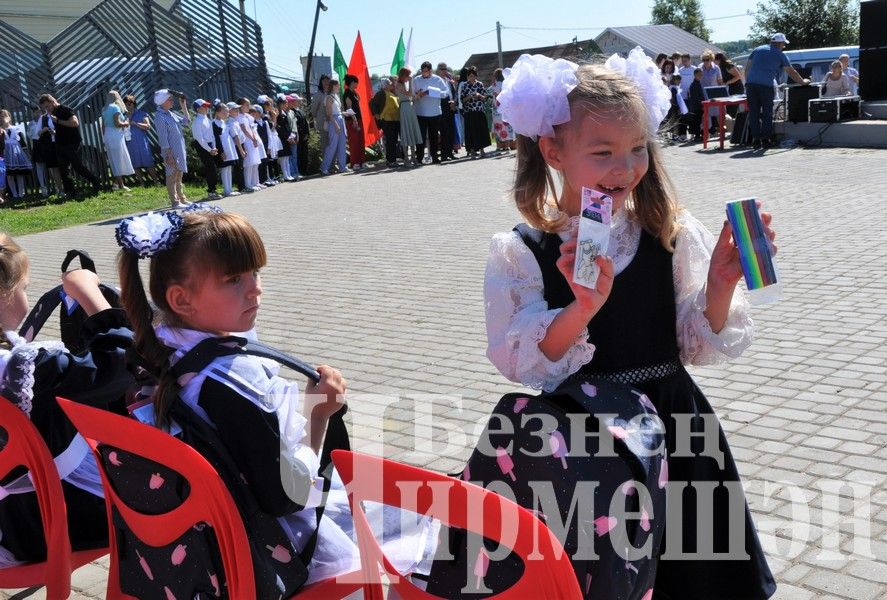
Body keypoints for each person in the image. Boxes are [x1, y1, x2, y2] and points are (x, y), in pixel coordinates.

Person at [458, 50, 777, 599]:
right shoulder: (525, 249)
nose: (625, 169)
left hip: (677, 433)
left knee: (694, 574)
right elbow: (528, 361)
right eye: (603, 152)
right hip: (586, 443)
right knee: (601, 574)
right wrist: (581, 308)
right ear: (554, 150)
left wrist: (721, 284)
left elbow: (694, 340)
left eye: (637, 150)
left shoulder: (665, 232)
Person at [114, 206, 437, 596]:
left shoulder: (158, 349)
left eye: (255, 272)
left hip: (206, 538)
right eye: (234, 279)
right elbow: (288, 496)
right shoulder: (233, 382)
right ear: (181, 300)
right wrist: (319, 414)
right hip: (277, 544)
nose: (255, 288)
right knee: (420, 519)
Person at [0, 232, 134, 567]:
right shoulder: (24, 369)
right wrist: (92, 299)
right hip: (49, 521)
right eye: (24, 288)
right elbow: (119, 365)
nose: (27, 298)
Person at [744, 33, 810, 149]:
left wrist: (748, 82)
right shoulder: (780, 55)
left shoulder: (758, 49)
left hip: (751, 85)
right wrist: (803, 82)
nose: (783, 46)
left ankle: (755, 140)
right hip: (766, 86)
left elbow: (748, 67)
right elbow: (791, 72)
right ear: (779, 43)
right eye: (784, 44)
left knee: (754, 113)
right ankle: (765, 140)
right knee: (767, 113)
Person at [37, 94, 101, 197]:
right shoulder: (52, 113)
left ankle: (95, 181)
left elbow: (75, 123)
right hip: (60, 143)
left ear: (53, 102)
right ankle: (71, 192)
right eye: (45, 107)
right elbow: (61, 128)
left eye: (47, 106)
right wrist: (55, 131)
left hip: (72, 143)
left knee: (77, 167)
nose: (47, 109)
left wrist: (57, 121)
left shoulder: (65, 109)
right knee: (63, 170)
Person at [154, 89, 191, 208]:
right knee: (171, 175)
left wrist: (183, 106)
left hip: (179, 149)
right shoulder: (160, 116)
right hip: (170, 150)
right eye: (169, 99)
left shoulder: (170, 113)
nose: (172, 101)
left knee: (179, 174)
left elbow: (186, 122)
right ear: (163, 101)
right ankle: (175, 202)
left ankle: (182, 199)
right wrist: (168, 154)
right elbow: (163, 137)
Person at [412, 61, 449, 164]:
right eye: (422, 71)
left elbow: (445, 93)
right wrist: (418, 94)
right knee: (421, 137)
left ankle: (435, 157)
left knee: (434, 137)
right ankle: (419, 158)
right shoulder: (416, 80)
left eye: (426, 71)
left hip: (435, 112)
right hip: (420, 112)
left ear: (430, 71)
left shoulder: (438, 79)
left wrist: (431, 92)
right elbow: (412, 94)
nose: (424, 73)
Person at [122, 95, 160, 186]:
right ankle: (142, 184)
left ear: (134, 104)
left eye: (129, 104)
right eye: (126, 104)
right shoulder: (122, 116)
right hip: (129, 143)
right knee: (134, 164)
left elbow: (148, 126)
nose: (128, 106)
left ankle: (156, 182)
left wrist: (135, 123)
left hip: (142, 143)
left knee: (149, 163)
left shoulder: (142, 113)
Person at [101, 91, 134, 191]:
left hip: (108, 134)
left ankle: (116, 184)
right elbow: (117, 123)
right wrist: (126, 123)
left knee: (114, 160)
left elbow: (103, 126)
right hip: (115, 135)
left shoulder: (104, 108)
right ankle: (121, 185)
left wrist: (104, 138)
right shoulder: (115, 107)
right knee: (118, 160)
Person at [190, 98, 221, 200]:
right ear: (198, 109)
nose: (207, 108)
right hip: (202, 146)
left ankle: (213, 189)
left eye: (207, 106)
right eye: (204, 106)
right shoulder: (196, 122)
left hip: (210, 145)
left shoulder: (207, 119)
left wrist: (214, 147)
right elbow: (199, 138)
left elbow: (212, 135)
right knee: (210, 168)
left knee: (213, 168)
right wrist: (209, 149)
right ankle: (211, 191)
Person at [29, 105, 63, 198]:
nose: (37, 112)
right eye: (35, 111)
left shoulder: (53, 116)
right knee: (49, 168)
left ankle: (60, 187)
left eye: (39, 110)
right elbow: (35, 134)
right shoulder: (38, 121)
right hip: (44, 145)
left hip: (56, 143)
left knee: (58, 167)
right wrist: (44, 131)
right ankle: (51, 189)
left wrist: (54, 132)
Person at [0, 110, 33, 200]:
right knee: (9, 175)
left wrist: (27, 154)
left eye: (4, 116)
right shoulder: (1, 130)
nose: (3, 118)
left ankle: (21, 193)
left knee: (19, 174)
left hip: (16, 154)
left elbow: (22, 143)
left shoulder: (16, 128)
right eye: (1, 116)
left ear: (9, 117)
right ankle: (14, 194)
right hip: (6, 154)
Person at [459, 66, 489, 159]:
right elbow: (462, 100)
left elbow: (485, 98)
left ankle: (482, 151)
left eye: (473, 76)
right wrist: (470, 97)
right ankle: (471, 151)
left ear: (476, 76)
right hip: (469, 112)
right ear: (467, 76)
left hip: (479, 111)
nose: (471, 78)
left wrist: (479, 95)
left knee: (481, 131)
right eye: (470, 76)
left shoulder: (480, 84)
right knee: (470, 132)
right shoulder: (464, 85)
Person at [395, 67, 422, 168]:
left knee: (411, 131)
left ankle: (413, 157)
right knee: (406, 132)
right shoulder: (398, 85)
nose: (409, 77)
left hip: (410, 108)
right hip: (405, 108)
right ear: (403, 75)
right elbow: (409, 93)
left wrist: (418, 95)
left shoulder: (403, 84)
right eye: (408, 75)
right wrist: (410, 83)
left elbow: (411, 96)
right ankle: (406, 158)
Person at [320, 79, 348, 176]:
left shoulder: (336, 96)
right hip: (334, 122)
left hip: (340, 119)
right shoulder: (328, 98)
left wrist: (346, 113)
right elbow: (329, 114)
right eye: (338, 85)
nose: (339, 86)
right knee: (332, 145)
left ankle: (342, 167)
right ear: (334, 86)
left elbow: (338, 111)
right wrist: (336, 125)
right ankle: (324, 168)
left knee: (342, 145)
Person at [211, 102, 240, 197]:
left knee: (228, 169)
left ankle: (230, 189)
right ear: (217, 112)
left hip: (229, 148)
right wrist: (221, 151)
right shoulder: (214, 123)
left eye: (228, 112)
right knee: (224, 169)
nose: (227, 113)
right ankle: (226, 190)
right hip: (222, 149)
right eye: (225, 112)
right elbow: (216, 139)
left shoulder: (224, 122)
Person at [342, 74, 367, 170]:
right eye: (356, 82)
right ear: (352, 82)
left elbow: (359, 100)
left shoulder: (354, 93)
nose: (357, 84)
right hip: (352, 120)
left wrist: (355, 92)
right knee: (354, 141)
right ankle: (355, 163)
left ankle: (362, 161)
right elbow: (349, 108)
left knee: (361, 140)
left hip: (358, 118)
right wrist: (354, 120)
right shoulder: (347, 93)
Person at [375, 77, 401, 168]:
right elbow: (372, 104)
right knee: (390, 141)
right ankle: (391, 161)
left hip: (395, 120)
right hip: (387, 120)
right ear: (385, 85)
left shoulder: (392, 93)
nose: (392, 84)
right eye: (390, 83)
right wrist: (377, 114)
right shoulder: (381, 93)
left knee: (393, 141)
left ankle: (392, 160)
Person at [490, 67, 515, 152]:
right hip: (504, 108)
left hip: (496, 108)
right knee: (506, 126)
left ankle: (499, 146)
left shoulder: (494, 85)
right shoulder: (506, 84)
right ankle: (507, 146)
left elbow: (491, 94)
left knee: (498, 127)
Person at [437, 63, 458, 161]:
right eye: (442, 69)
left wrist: (454, 102)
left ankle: (450, 153)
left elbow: (454, 93)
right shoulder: (436, 81)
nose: (444, 70)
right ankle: (444, 155)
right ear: (438, 70)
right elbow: (437, 95)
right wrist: (447, 103)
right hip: (442, 109)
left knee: (451, 132)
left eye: (445, 69)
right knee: (444, 133)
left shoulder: (449, 81)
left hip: (451, 108)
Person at [275, 96, 296, 181]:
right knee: (283, 157)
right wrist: (287, 136)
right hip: (281, 138)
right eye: (283, 103)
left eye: (286, 103)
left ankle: (288, 174)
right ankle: (285, 175)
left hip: (287, 137)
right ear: (279, 104)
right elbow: (279, 127)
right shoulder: (278, 114)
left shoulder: (285, 113)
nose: (285, 104)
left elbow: (287, 126)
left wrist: (290, 135)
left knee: (287, 157)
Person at [309, 74, 331, 153]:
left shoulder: (331, 94)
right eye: (324, 81)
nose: (326, 83)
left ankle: (333, 161)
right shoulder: (318, 95)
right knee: (325, 144)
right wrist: (320, 118)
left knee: (332, 143)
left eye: (328, 81)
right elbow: (313, 110)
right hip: (323, 123)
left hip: (332, 123)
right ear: (321, 82)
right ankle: (327, 163)